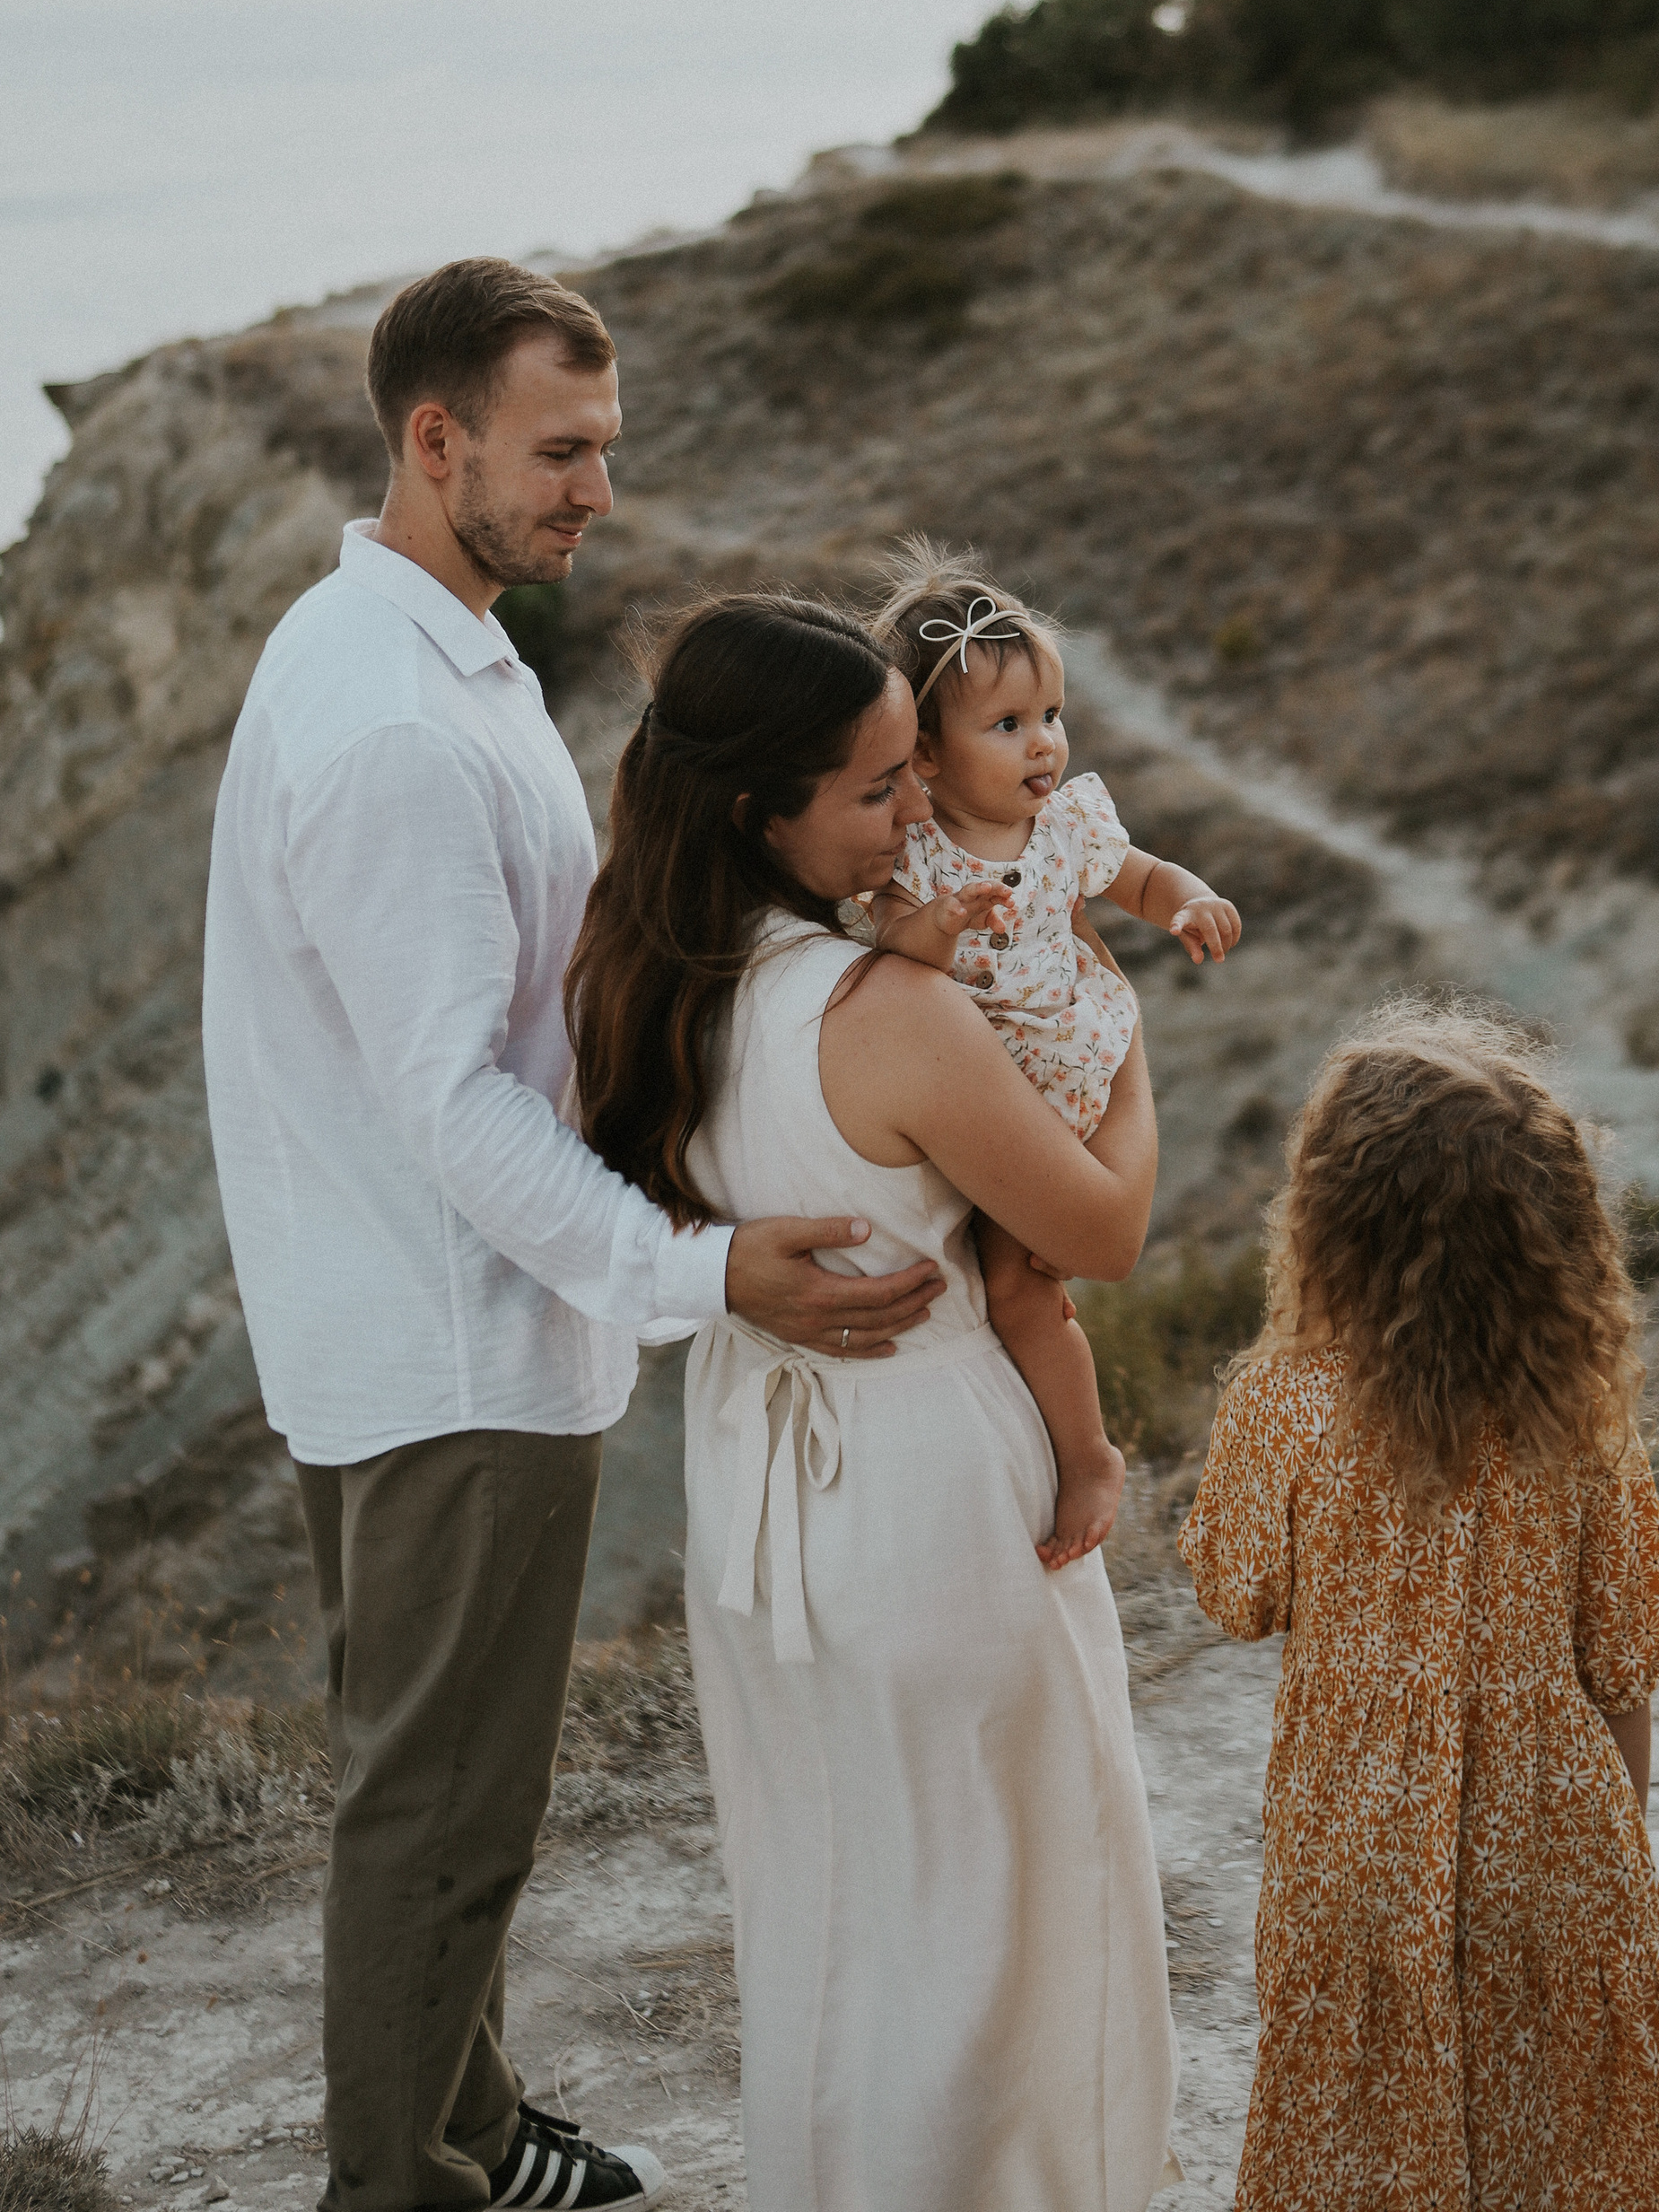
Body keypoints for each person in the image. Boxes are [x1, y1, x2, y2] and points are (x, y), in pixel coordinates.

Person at [201, 261, 946, 2212]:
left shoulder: (403, 643)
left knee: (431, 1782)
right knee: (441, 1817)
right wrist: (701, 1273)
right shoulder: (393, 731)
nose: (596, 491)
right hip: (449, 1337)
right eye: (559, 451)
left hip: (408, 1311)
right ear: (431, 439)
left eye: (604, 448)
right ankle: (402, 2185)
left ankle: (463, 2121)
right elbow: (457, 1097)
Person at [567, 594, 1183, 2212]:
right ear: (760, 809)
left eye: (921, 767)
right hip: (934, 1499)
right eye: (877, 787)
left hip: (759, 1510)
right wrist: (1110, 1028)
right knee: (1006, 1936)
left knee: (832, 1916)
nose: (922, 811)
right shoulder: (890, 1016)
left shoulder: (652, 983)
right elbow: (1099, 1232)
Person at [1179, 997, 1659, 2212]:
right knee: (1556, 2136)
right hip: (1551, 1835)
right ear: (1557, 1231)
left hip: (1353, 1841)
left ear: (1331, 1219)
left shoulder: (1286, 1404)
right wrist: (1613, 1857)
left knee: (1366, 2133)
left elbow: (1235, 1592)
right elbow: (1623, 1660)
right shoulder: (1580, 1415)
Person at [861, 546, 1242, 1565]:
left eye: (1050, 717)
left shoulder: (1066, 823)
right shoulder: (917, 855)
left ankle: (1087, 1457)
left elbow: (1140, 877)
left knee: (1021, 1283)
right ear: (927, 757)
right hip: (994, 1100)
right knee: (1017, 1288)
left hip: (1072, 1064)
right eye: (1006, 726)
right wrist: (942, 924)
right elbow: (897, 948)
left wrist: (1187, 903)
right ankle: (1061, 1440)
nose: (1043, 746)